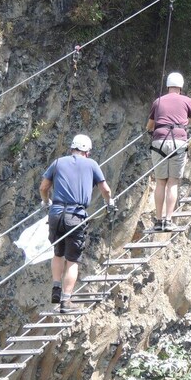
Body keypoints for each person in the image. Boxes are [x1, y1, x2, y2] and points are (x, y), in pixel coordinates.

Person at [39, 134, 114, 314]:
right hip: (76, 215)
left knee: (57, 252)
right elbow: (106, 190)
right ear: (87, 151)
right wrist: (109, 202)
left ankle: (56, 287)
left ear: (72, 147)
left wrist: (46, 202)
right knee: (72, 260)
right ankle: (66, 300)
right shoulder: (92, 164)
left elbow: (43, 187)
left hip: (56, 213)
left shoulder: (57, 163)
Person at [146, 72, 191, 232]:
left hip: (158, 142)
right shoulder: (186, 100)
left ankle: (158, 221)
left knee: (161, 182)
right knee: (172, 182)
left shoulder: (158, 101)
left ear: (168, 85)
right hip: (178, 141)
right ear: (180, 86)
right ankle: (168, 220)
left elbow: (149, 126)